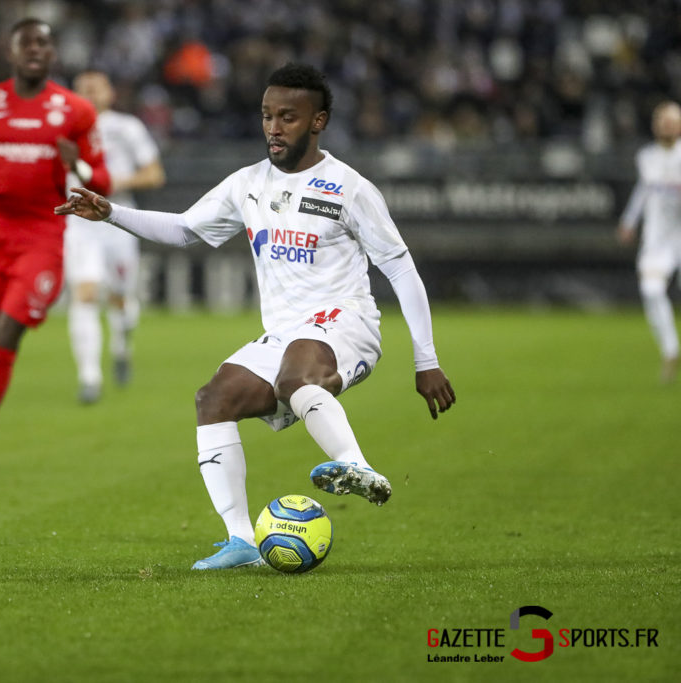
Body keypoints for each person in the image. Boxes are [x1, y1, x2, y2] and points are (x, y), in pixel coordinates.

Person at [56, 63, 456, 570]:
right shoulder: (248, 184)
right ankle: (242, 541)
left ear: (318, 122)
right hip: (285, 332)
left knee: (297, 372)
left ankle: (355, 465)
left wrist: (426, 360)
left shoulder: (349, 189)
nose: (274, 126)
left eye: (288, 116)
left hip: (346, 322)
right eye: (268, 115)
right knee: (214, 398)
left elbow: (401, 269)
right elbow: (184, 229)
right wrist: (112, 212)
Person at [0, 18, 110, 486]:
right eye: (26, 43)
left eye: (44, 43)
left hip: (42, 235)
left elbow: (104, 182)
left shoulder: (74, 111)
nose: (35, 50)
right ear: (10, 53)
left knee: (5, 339)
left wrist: (81, 166)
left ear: (53, 53)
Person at [64, 70, 166, 403]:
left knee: (121, 299)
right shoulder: (63, 130)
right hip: (79, 223)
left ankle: (122, 346)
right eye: (82, 90)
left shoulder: (127, 127)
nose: (89, 95)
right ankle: (89, 377)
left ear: (110, 93)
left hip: (120, 222)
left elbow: (154, 175)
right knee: (86, 293)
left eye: (96, 88)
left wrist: (112, 184)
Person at [617, 101, 681, 384]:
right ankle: (671, 350)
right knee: (652, 290)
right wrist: (629, 221)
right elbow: (643, 190)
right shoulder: (646, 157)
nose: (666, 125)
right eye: (661, 120)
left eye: (671, 120)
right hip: (657, 239)